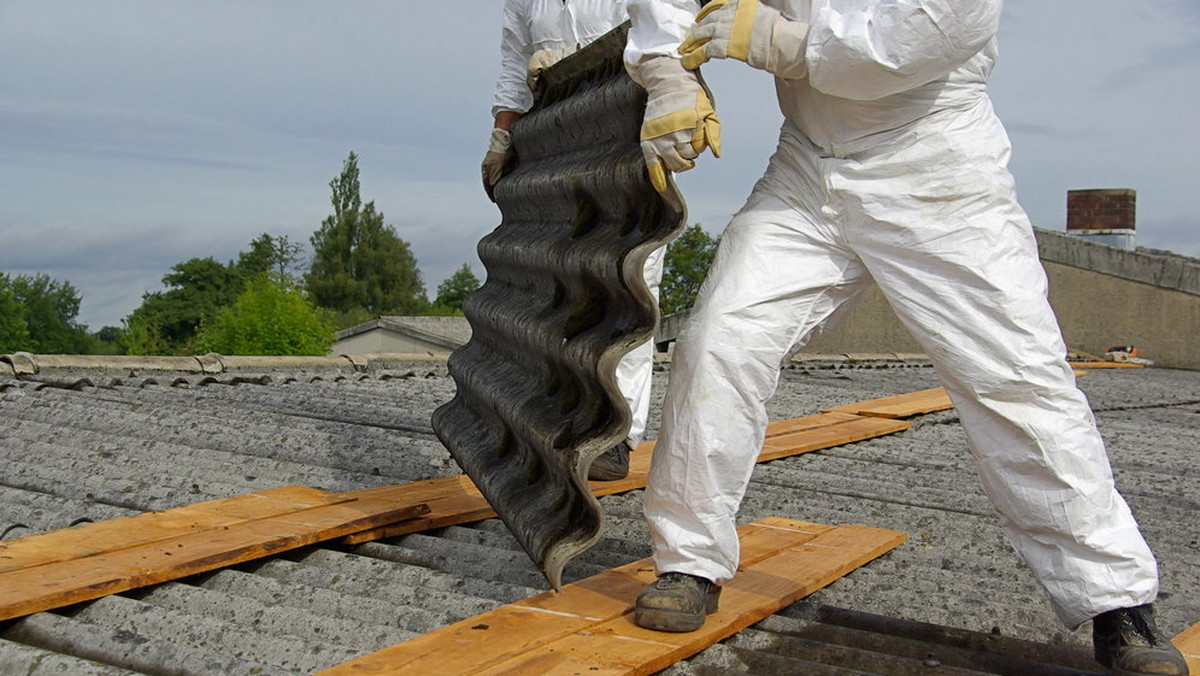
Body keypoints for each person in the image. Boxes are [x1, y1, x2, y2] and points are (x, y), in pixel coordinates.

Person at [621, 1, 1187, 674]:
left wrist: (782, 42)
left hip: (937, 169)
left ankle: (1117, 604)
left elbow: (914, 39)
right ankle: (689, 564)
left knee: (1015, 381)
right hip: (807, 171)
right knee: (718, 342)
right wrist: (668, 75)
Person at [483, 0, 665, 481]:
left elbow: (668, 32)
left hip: (629, 130)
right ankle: (563, 416)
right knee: (562, 279)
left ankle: (618, 433)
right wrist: (502, 135)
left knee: (630, 278)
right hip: (559, 139)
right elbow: (512, 64)